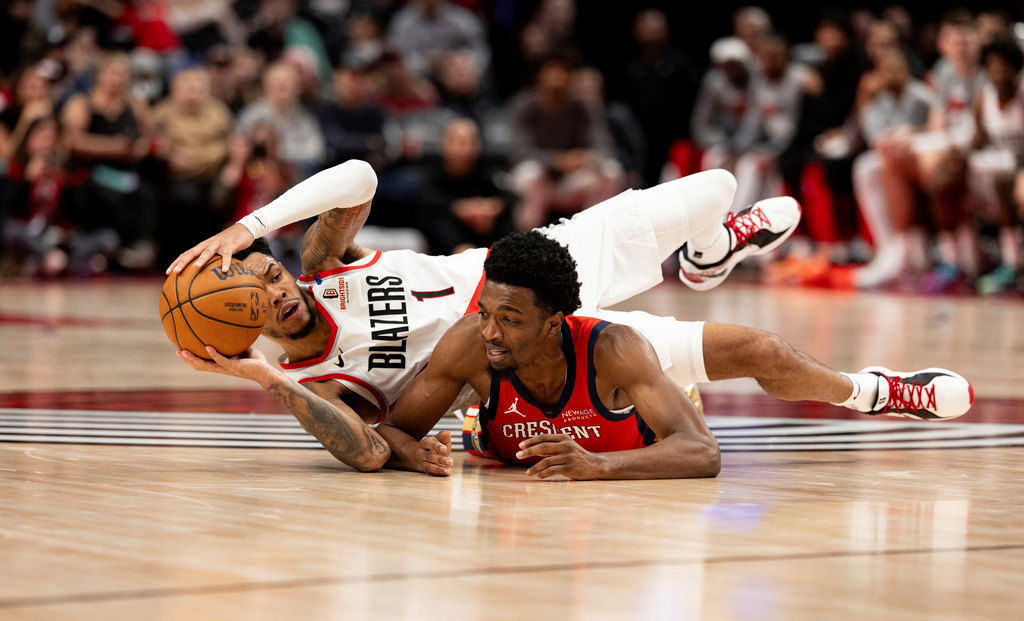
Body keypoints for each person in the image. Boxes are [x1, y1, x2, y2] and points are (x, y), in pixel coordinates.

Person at [170, 161, 968, 472]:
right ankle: (879, 390)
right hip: (510, 343)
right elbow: (368, 451)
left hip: (537, 266)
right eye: (253, 298)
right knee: (759, 347)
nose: (274, 286)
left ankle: (706, 254)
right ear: (248, 327)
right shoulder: (317, 381)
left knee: (720, 185)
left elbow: (361, 173)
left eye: (264, 271)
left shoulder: (324, 262)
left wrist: (247, 226)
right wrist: (262, 376)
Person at [376, 231, 974, 479]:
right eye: (487, 313)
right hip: (545, 392)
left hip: (621, 370)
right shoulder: (473, 343)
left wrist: (598, 467)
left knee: (763, 349)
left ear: (555, 319)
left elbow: (704, 452)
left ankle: (873, 391)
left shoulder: (615, 349)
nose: (490, 332)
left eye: (507, 319)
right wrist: (415, 454)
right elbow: (391, 434)